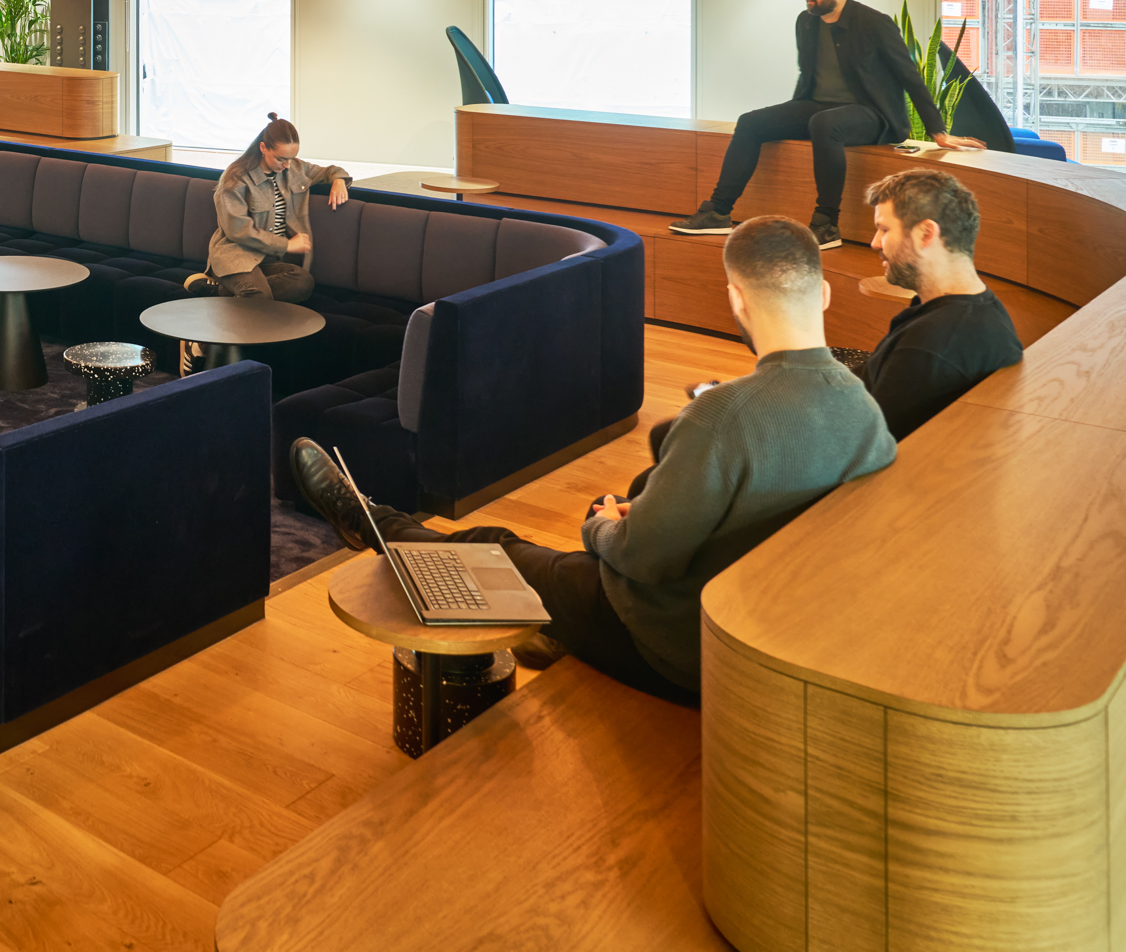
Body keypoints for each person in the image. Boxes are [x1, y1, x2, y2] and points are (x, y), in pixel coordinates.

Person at [292, 215, 896, 701]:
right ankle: (555, 622)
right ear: (822, 292)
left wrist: (602, 527)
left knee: (496, 546)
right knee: (611, 515)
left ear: (735, 298)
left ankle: (370, 519)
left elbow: (643, 560)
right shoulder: (864, 407)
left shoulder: (722, 414)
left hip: (683, 647)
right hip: (773, 626)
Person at [670, 0, 985, 249]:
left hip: (872, 113)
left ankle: (826, 225)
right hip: (817, 105)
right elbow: (807, 76)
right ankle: (718, 213)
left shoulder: (875, 23)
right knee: (751, 122)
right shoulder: (805, 22)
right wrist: (790, 113)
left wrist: (937, 132)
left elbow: (910, 77)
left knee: (824, 124)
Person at [857, 167, 1022, 439]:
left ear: (925, 234)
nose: (875, 243)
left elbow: (863, 443)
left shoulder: (931, 345)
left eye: (884, 229)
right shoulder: (975, 309)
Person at [185, 114, 350, 302]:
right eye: (281, 159)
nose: (287, 165)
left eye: (292, 158)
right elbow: (238, 230)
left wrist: (338, 180)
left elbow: (329, 171)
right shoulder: (236, 178)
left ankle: (221, 292)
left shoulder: (293, 167)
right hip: (237, 255)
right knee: (259, 295)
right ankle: (242, 291)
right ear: (263, 148)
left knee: (302, 283)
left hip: (270, 259)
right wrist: (287, 245)